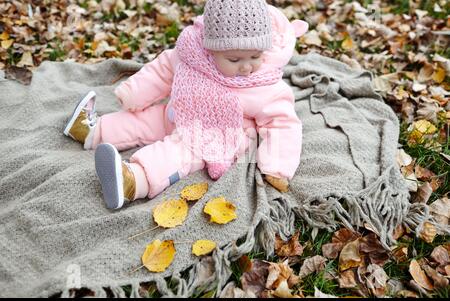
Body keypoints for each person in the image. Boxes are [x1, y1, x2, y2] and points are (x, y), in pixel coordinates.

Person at [63, 0, 308, 209]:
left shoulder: (266, 86)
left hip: (217, 134)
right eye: (234, 59)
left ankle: (133, 181)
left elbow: (283, 124)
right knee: (145, 121)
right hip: (179, 111)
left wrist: (277, 167)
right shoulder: (192, 53)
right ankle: (91, 131)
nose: (246, 67)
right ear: (210, 49)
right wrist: (133, 93)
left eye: (255, 57)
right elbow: (162, 72)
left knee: (179, 153)